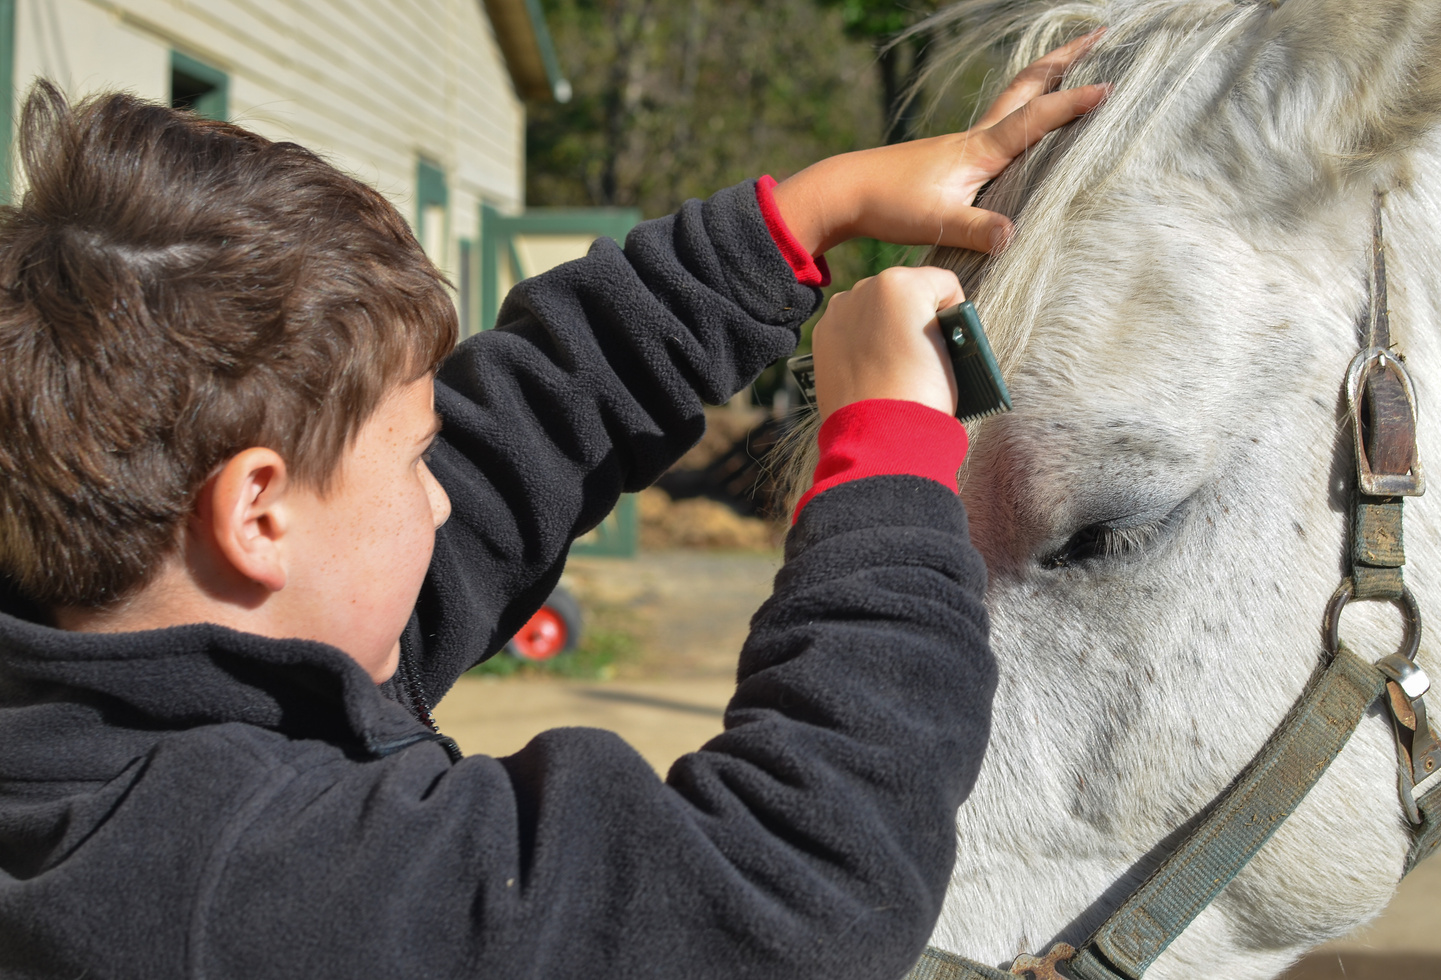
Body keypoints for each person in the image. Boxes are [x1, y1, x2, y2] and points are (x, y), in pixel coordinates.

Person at [0, 35, 1105, 980]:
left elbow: (514, 436)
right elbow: (787, 894)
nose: (444, 498)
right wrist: (889, 457)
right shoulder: (223, 886)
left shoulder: (114, 657)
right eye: (415, 457)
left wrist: (804, 217)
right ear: (257, 512)